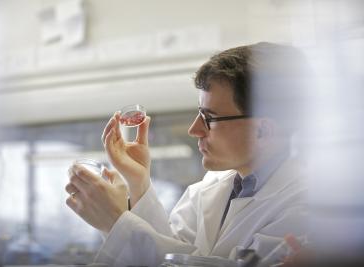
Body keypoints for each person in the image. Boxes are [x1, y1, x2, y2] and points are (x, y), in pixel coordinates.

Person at [65, 42, 308, 267]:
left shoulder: (307, 207)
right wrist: (139, 182)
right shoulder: (209, 188)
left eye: (209, 118)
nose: (194, 130)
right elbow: (174, 253)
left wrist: (117, 222)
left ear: (263, 130)